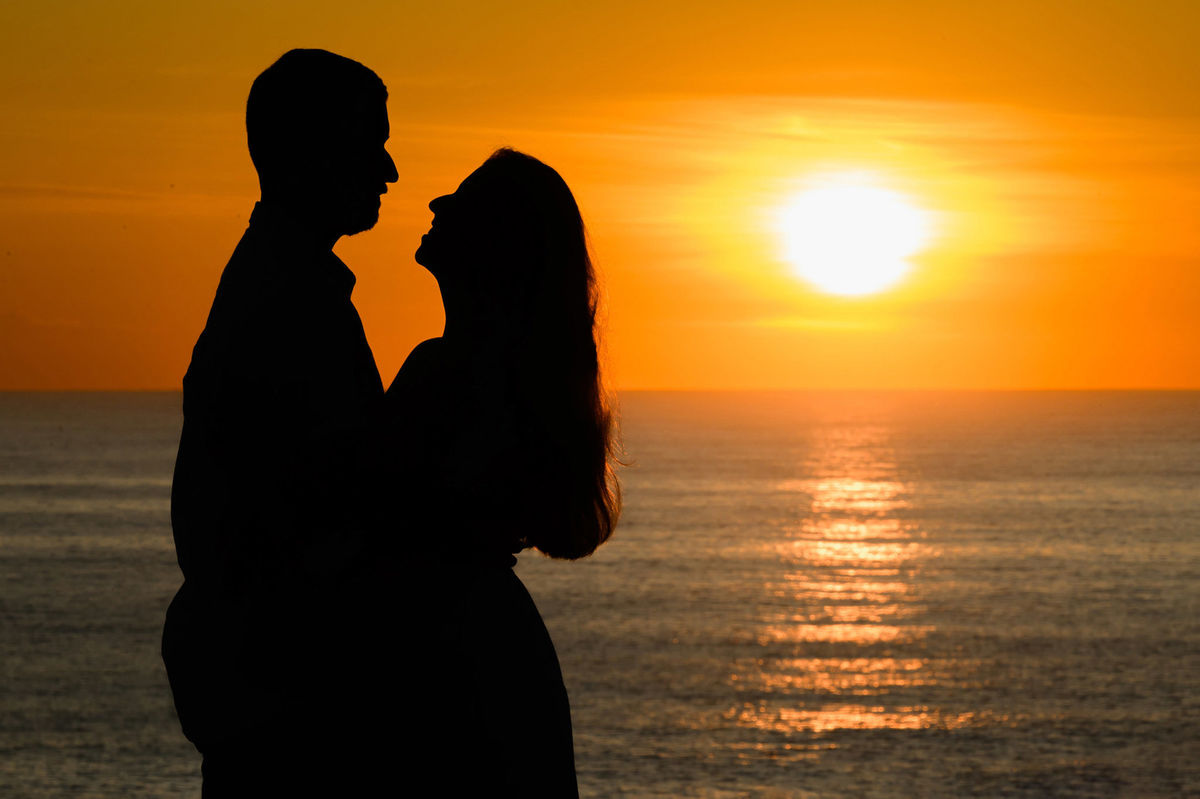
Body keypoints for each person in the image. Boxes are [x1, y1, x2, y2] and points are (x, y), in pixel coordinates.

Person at [161, 48, 397, 796]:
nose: (389, 170)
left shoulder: (285, 289)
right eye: (372, 145)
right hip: (293, 734)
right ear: (312, 153)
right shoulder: (288, 310)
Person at [379, 148, 621, 797]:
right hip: (493, 660)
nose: (437, 203)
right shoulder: (494, 382)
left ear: (496, 244)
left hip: (457, 671)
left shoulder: (447, 376)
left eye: (462, 198)